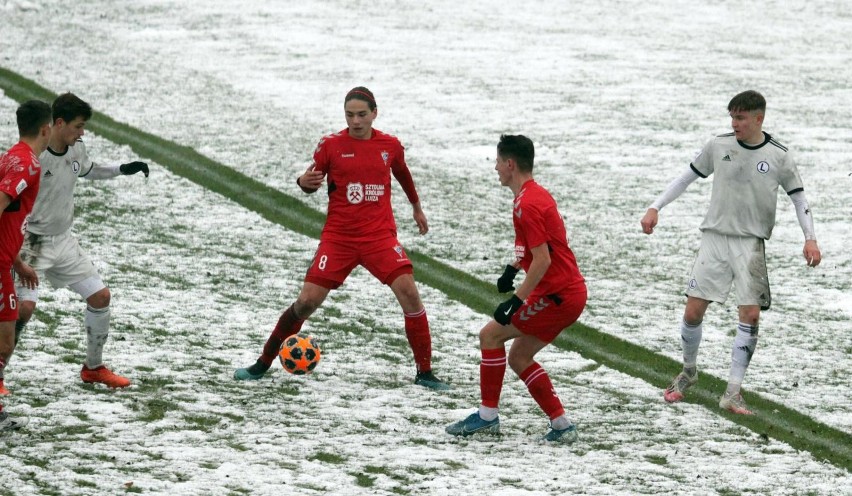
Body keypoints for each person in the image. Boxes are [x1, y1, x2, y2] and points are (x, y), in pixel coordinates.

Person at [234, 86, 449, 390]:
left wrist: (417, 208)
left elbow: (403, 174)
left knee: (411, 296)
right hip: (339, 239)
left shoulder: (390, 145)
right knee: (306, 302)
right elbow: (311, 180)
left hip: (379, 237)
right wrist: (302, 182)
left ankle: (425, 373)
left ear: (375, 113)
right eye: (350, 115)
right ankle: (262, 363)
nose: (356, 120)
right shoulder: (331, 145)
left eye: (362, 114)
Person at [640, 90, 821, 415]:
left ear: (758, 119)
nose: (734, 123)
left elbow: (799, 198)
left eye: (740, 118)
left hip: (750, 243)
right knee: (694, 311)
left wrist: (810, 238)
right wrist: (656, 206)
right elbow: (687, 176)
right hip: (715, 239)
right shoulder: (718, 145)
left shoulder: (779, 155)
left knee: (750, 314)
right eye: (732, 117)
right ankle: (688, 373)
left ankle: (733, 392)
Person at [445, 134, 587, 442]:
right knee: (519, 357)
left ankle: (487, 417)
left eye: (497, 162)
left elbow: (543, 260)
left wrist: (515, 300)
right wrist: (512, 267)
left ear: (510, 164)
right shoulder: (534, 195)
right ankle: (562, 426)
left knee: (490, 335)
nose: (495, 168)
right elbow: (544, 247)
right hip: (566, 292)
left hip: (557, 295)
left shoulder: (527, 204)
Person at [6, 92, 149, 392]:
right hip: (32, 243)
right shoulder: (33, 158)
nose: (82, 133)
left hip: (64, 241)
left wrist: (122, 169)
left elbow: (89, 169)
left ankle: (93, 368)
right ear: (58, 124)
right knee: (23, 310)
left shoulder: (75, 149)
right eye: (78, 126)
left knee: (100, 297)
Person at [0, 99, 52, 431]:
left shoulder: (12, 155)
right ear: (46, 129)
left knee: (7, 333)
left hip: (6, 261)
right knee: (4, 342)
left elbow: (9, 215)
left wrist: (17, 261)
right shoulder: (27, 164)